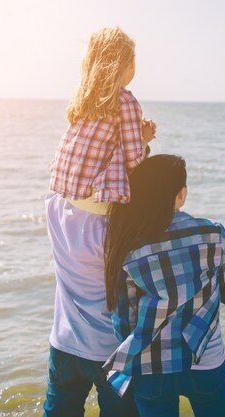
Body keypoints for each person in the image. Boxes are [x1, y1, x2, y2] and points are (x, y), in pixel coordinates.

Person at [44, 26, 155, 416]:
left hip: (64, 206)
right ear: (124, 64)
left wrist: (134, 139)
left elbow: (94, 154)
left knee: (58, 408)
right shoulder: (125, 100)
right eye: (132, 60)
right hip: (111, 351)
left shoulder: (81, 104)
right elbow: (137, 169)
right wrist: (142, 141)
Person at [102, 154, 225, 417]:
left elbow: (123, 324)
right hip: (205, 358)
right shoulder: (213, 233)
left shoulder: (129, 246)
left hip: (151, 367)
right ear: (181, 194)